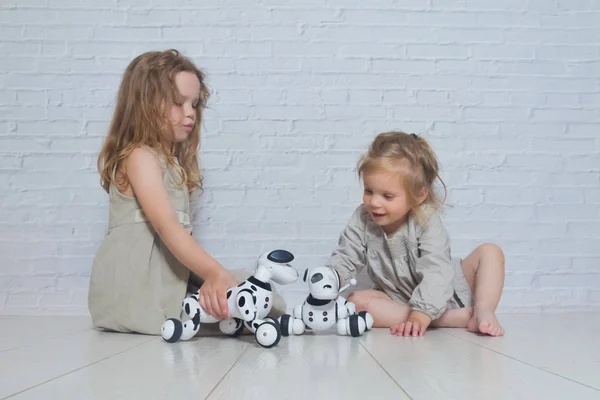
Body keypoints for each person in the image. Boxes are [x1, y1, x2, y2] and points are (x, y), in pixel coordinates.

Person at [88, 49, 285, 335]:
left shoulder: (172, 164)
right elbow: (167, 228)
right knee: (234, 295)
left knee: (253, 288)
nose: (190, 113)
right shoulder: (139, 157)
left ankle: (240, 310)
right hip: (135, 286)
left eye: (195, 104)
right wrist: (214, 273)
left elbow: (176, 245)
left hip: (167, 280)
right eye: (178, 103)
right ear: (145, 104)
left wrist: (217, 278)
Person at [326, 131, 505, 337]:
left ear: (419, 195)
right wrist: (330, 280)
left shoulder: (425, 219)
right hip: (399, 299)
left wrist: (421, 315)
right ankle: (454, 319)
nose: (374, 202)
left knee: (490, 252)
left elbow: (436, 269)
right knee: (354, 303)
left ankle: (483, 310)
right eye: (369, 191)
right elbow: (347, 255)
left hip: (448, 288)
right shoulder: (363, 217)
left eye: (387, 196)